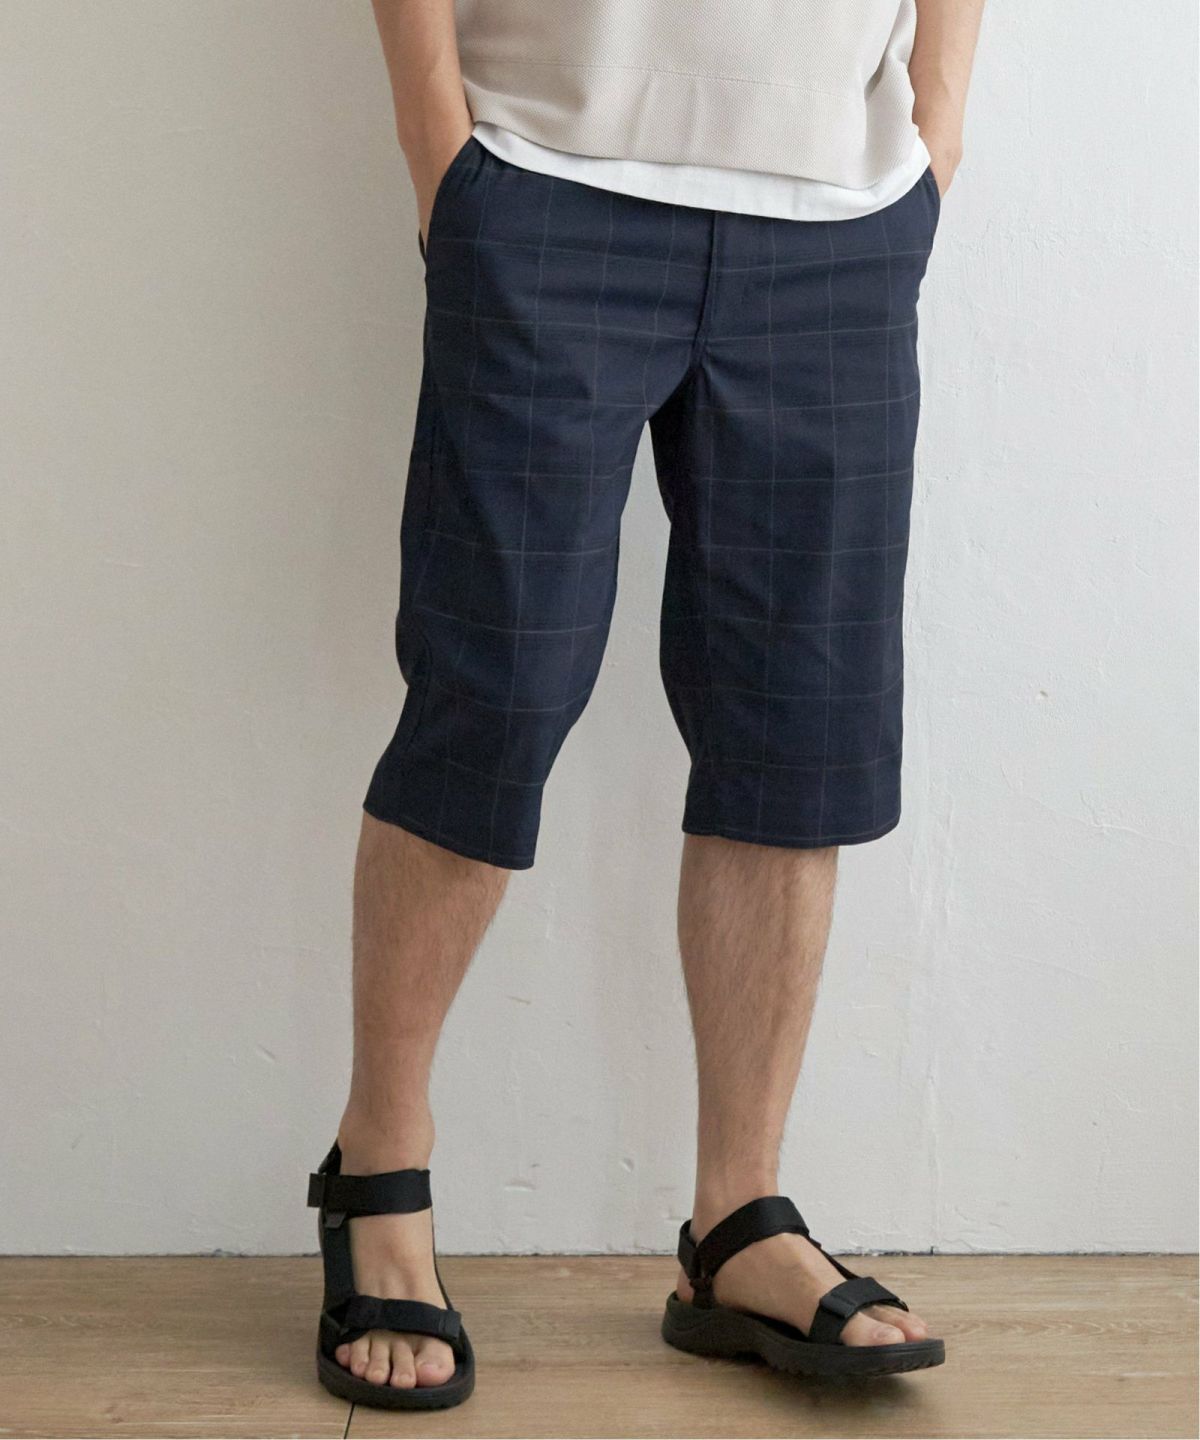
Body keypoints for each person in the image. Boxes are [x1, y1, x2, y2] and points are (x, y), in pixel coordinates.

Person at [305, 0, 984, 1410]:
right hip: (543, 175)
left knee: (798, 730)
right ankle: (380, 1167)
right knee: (492, 698)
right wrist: (437, 141)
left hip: (840, 205)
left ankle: (738, 1222)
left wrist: (939, 119)